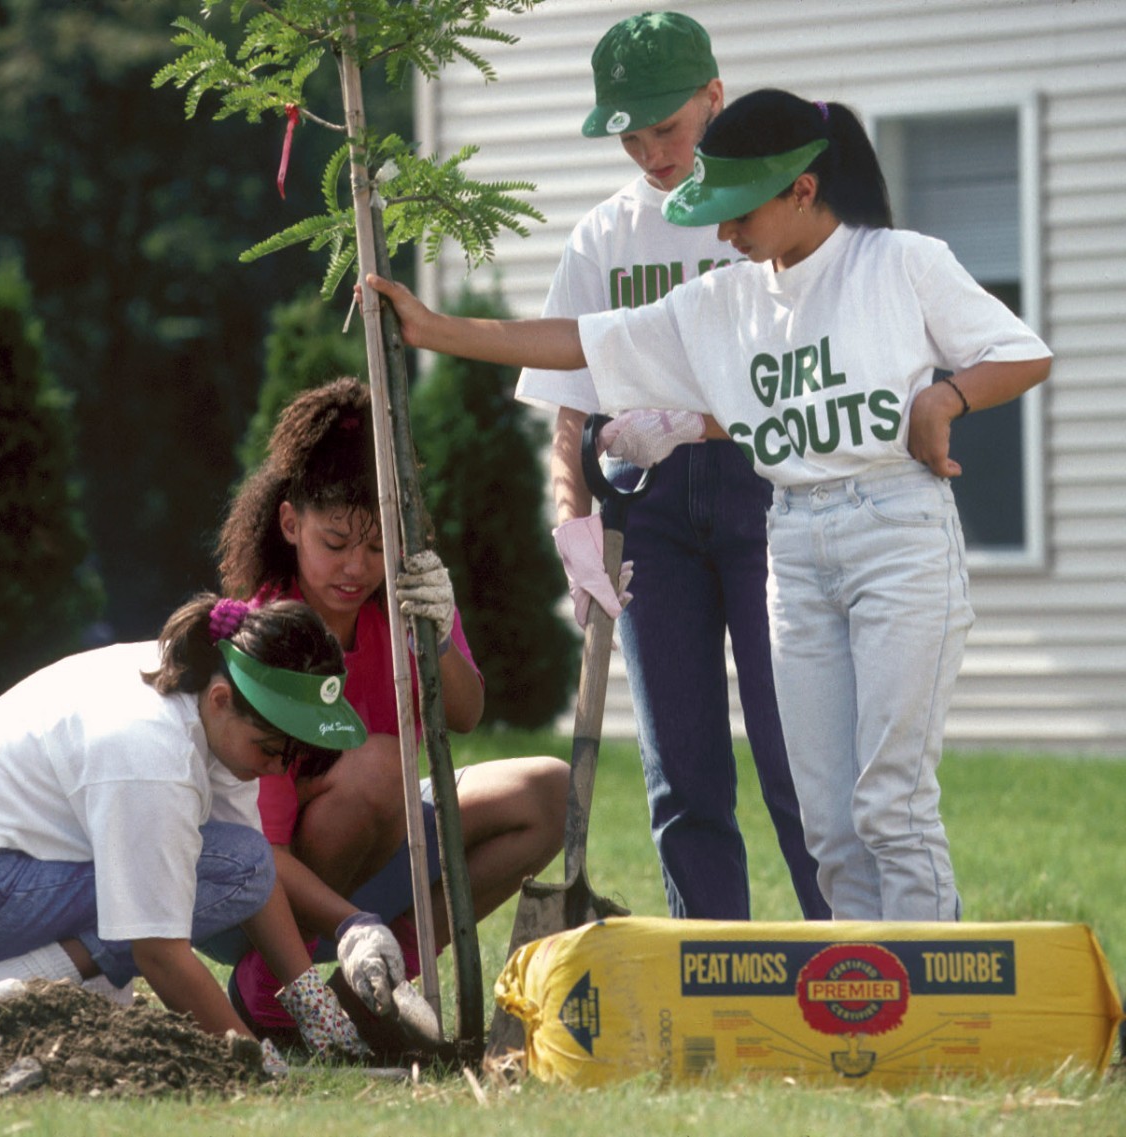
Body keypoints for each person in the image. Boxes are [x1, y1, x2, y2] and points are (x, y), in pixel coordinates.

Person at [363, 88, 1053, 923]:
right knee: (829, 818)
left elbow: (1019, 352)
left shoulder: (900, 262)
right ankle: (865, 1003)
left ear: (801, 188)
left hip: (896, 531)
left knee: (889, 804)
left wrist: (943, 402)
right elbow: (579, 339)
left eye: (736, 213)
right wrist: (435, 328)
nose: (722, 234)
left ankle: (931, 1005)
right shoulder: (728, 299)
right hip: (792, 540)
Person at [516, 12, 828, 921]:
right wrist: (571, 520)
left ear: (715, 99)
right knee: (682, 767)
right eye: (632, 134)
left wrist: (695, 421)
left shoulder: (768, 216)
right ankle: (712, 966)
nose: (652, 152)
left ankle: (848, 954)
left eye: (670, 127)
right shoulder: (602, 240)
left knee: (795, 752)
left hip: (764, 496)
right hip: (644, 512)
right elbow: (571, 404)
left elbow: (809, 378)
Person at [0, 593, 389, 1073]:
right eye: (269, 748)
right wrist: (257, 1065)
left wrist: (313, 1004)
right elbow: (158, 953)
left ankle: (63, 976)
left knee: (245, 862)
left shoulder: (201, 683)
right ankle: (22, 979)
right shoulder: (153, 750)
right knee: (204, 884)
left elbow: (255, 871)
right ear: (220, 699)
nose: (278, 767)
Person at [215, 376, 567, 1040]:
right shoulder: (274, 632)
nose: (356, 566)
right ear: (291, 523)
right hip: (256, 883)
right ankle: (272, 989)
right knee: (379, 765)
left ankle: (374, 985)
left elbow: (462, 713)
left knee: (550, 791)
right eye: (336, 541)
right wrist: (351, 922)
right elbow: (264, 848)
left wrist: (434, 631)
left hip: (383, 831)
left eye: (377, 545)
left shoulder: (404, 595)